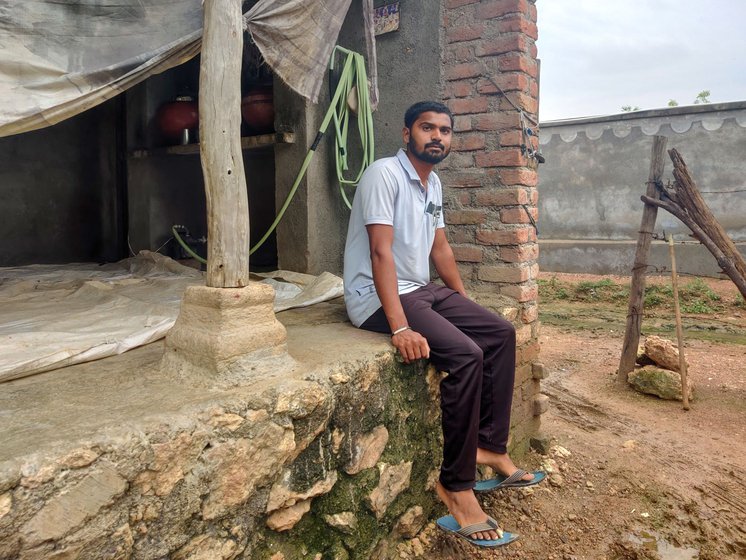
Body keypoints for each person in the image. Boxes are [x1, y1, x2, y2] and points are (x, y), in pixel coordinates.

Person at [343, 101, 544, 547]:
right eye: (427, 128)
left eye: (445, 131)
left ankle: (490, 448)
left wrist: (467, 308)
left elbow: (441, 250)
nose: (437, 136)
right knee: (467, 357)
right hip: (377, 297)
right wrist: (399, 328)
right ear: (406, 132)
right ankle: (455, 486)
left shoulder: (432, 184)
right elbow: (380, 253)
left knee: (498, 333)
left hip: (422, 289)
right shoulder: (384, 175)